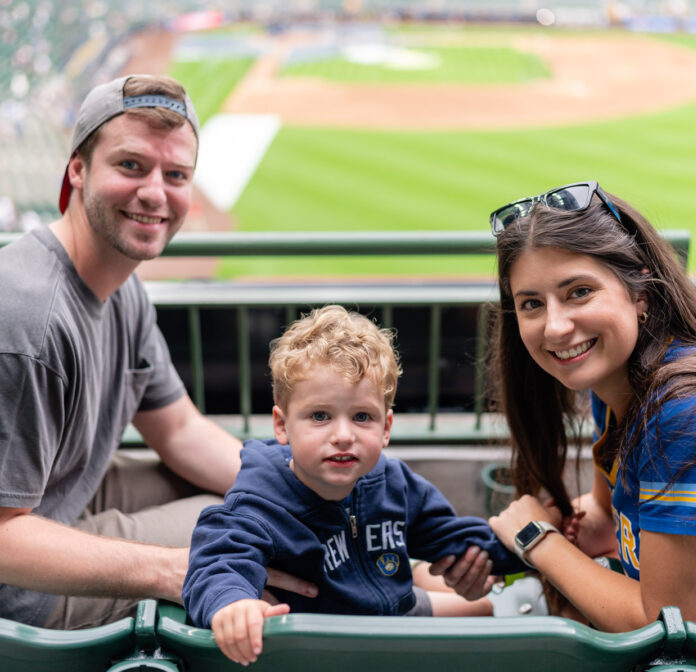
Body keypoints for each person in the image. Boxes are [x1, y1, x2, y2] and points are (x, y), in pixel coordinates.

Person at [0, 74, 315, 630]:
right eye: (130, 165)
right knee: (238, 530)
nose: (154, 192)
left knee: (265, 502)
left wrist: (306, 486)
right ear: (77, 170)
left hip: (63, 501)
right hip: (18, 593)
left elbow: (178, 431)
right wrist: (169, 569)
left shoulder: (123, 287)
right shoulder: (30, 320)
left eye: (176, 175)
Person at [442, 180, 696, 632]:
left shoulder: (688, 414)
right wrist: (506, 540)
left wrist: (537, 539)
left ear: (640, 292)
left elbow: (673, 628)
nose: (554, 327)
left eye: (579, 292)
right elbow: (607, 518)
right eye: (531, 303)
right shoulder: (616, 385)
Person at [182, 305, 528, 665]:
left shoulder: (394, 483)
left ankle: (485, 596)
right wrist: (233, 604)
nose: (343, 436)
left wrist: (530, 547)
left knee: (484, 610)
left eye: (362, 417)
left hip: (393, 616)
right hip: (322, 646)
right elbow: (218, 562)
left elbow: (455, 537)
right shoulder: (259, 505)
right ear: (282, 426)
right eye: (320, 416)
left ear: (386, 428)